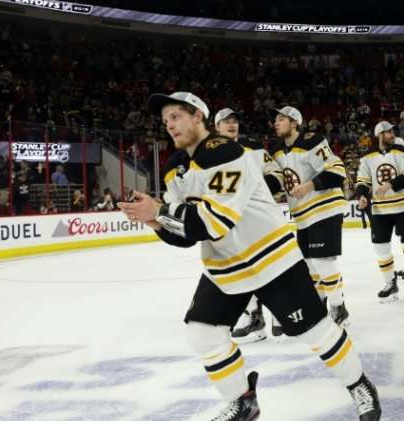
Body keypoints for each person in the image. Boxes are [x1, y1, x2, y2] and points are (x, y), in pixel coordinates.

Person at [119, 92, 380, 421]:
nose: (169, 125)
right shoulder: (174, 169)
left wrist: (160, 210)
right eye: (166, 120)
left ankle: (359, 385)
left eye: (176, 116)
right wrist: (154, 219)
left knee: (314, 331)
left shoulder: (225, 152)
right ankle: (243, 401)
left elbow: (215, 222)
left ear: (198, 117)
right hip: (225, 267)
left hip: (271, 259)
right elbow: (186, 236)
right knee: (202, 333)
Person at [266, 105, 352, 327]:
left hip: (324, 208)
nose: (276, 122)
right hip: (303, 215)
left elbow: (337, 170)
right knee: (309, 266)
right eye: (275, 119)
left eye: (281, 119)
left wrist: (310, 185)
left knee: (321, 261)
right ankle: (318, 306)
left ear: (294, 123)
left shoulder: (311, 141)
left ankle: (338, 308)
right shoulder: (276, 150)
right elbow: (277, 180)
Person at [212, 108, 273, 344]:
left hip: (259, 220)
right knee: (241, 271)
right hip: (229, 224)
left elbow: (274, 172)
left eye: (235, 120)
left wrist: (258, 189)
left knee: (267, 267)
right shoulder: (208, 154)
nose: (231, 124)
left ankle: (275, 314)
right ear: (216, 126)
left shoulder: (255, 148)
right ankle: (254, 318)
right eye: (226, 121)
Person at [355, 121, 404, 302]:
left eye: (392, 131)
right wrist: (361, 195)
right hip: (380, 209)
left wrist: (390, 185)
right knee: (381, 249)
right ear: (380, 135)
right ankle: (390, 285)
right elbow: (363, 179)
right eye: (388, 132)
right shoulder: (367, 157)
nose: (392, 134)